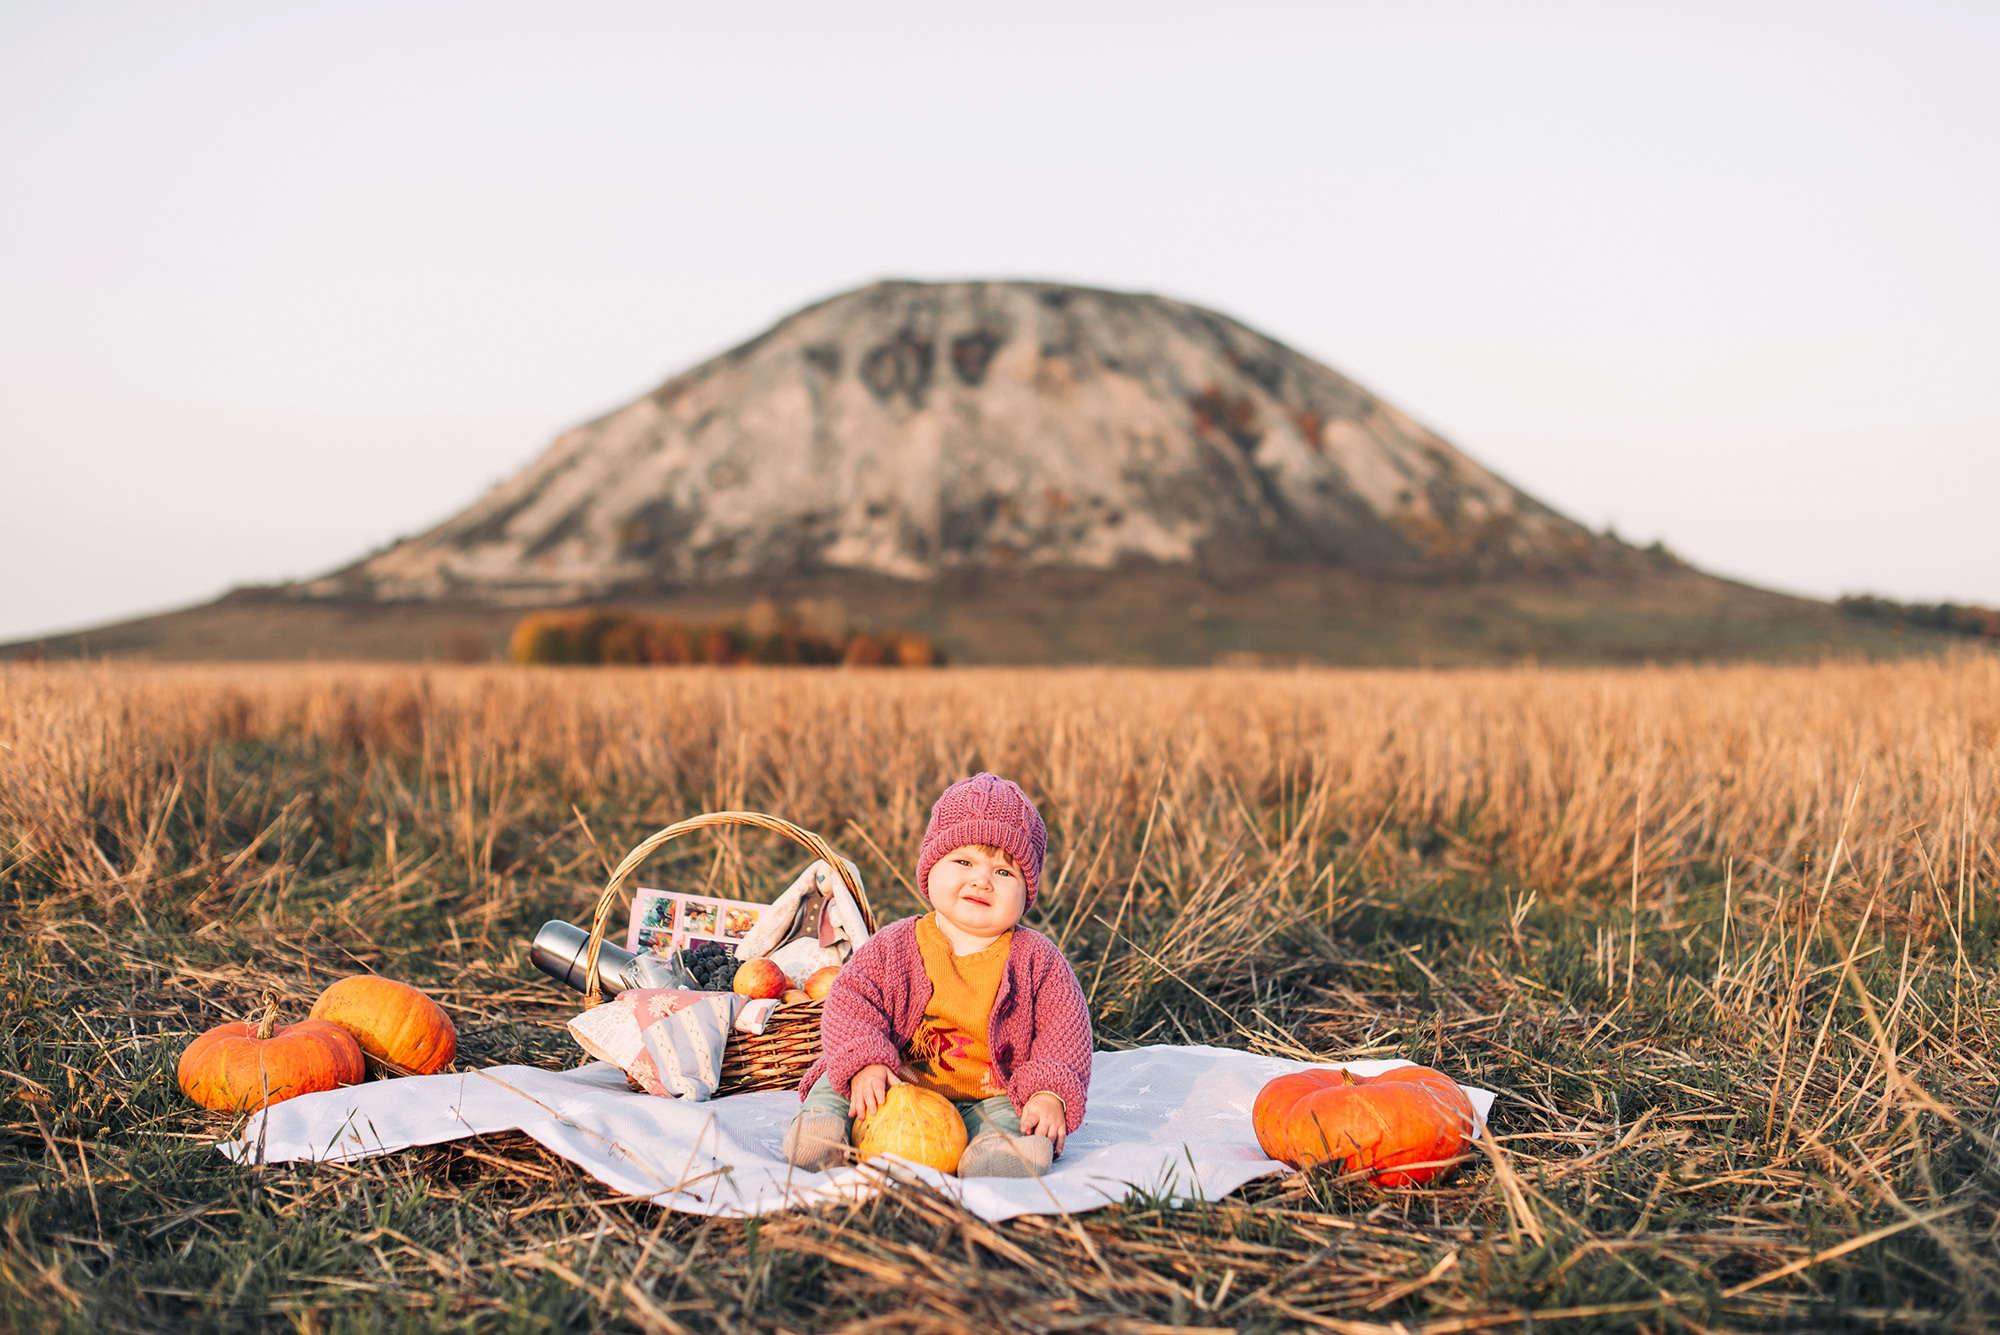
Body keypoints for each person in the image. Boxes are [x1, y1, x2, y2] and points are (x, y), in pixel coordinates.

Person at [783, 772, 1093, 1177]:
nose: (981, 880)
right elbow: (851, 999)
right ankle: (823, 1135)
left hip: (987, 1092)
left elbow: (1064, 1030)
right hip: (893, 1079)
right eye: (963, 862)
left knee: (1011, 1118)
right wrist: (865, 1063)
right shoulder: (897, 944)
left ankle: (995, 1156)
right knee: (836, 1081)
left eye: (1004, 872)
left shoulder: (1038, 960)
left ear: (1026, 892)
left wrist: (1050, 1092)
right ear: (931, 868)